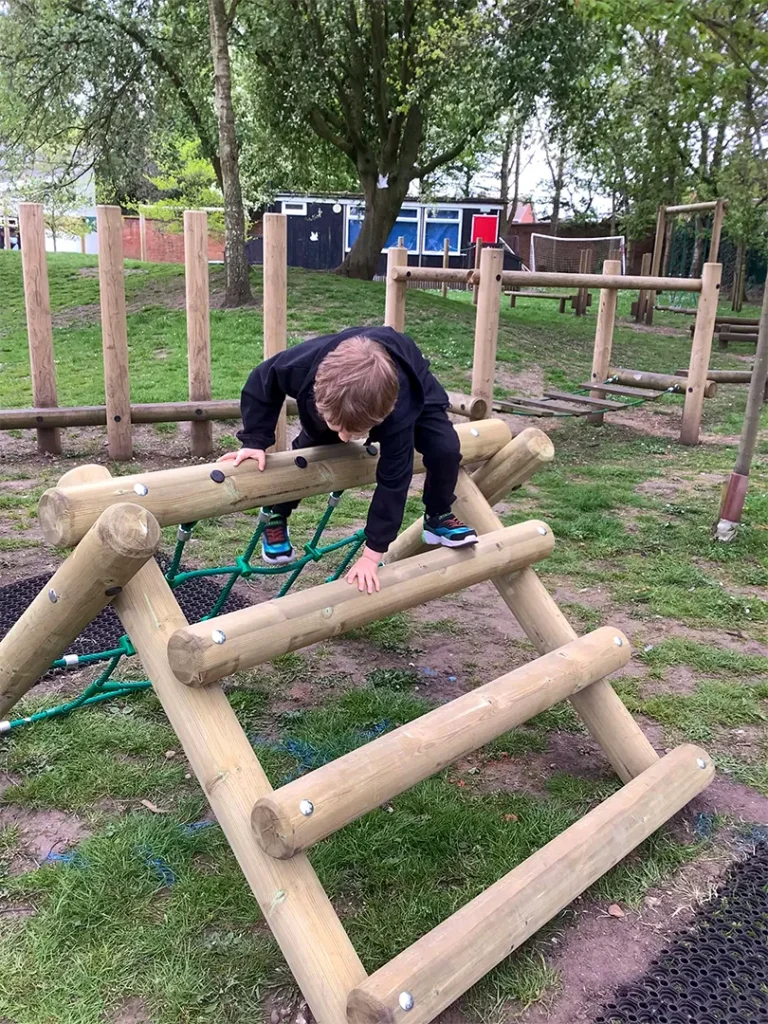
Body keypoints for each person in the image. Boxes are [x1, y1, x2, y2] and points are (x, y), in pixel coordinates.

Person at [219, 326, 477, 593]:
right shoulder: (299, 367)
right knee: (310, 450)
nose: (344, 439)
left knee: (444, 448)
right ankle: (276, 514)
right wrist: (254, 441)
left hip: (416, 386)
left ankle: (437, 514)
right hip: (344, 387)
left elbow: (394, 483)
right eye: (338, 426)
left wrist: (371, 556)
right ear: (318, 394)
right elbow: (262, 381)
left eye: (354, 432)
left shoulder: (398, 415)